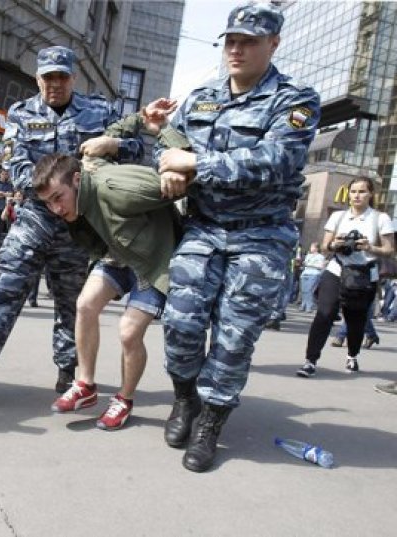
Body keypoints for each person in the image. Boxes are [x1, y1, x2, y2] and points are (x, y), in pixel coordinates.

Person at [0, 45, 143, 404]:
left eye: (61, 76)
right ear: (37, 79)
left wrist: (112, 144)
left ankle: (69, 374)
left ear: (73, 77)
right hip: (35, 218)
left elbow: (135, 151)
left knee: (71, 303)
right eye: (47, 77)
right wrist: (53, 193)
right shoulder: (21, 113)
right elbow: (16, 165)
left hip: (78, 225)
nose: (54, 84)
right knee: (6, 292)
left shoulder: (99, 112)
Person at [154, 3, 321, 472]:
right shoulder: (203, 95)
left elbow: (277, 160)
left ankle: (211, 420)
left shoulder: (296, 99)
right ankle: (185, 398)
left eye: (248, 41)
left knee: (233, 338)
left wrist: (196, 166)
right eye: (230, 40)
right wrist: (169, 171)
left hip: (261, 238)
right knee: (180, 325)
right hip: (204, 230)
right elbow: (169, 144)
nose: (236, 49)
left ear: (273, 44)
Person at [34, 120, 184, 429]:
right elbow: (101, 145)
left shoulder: (118, 190)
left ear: (77, 180)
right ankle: (86, 386)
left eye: (58, 198)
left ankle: (124, 400)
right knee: (85, 305)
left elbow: (186, 173)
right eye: (48, 203)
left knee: (129, 331)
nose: (56, 210)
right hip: (117, 253)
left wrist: (167, 139)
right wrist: (138, 119)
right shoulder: (84, 168)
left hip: (152, 260)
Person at [296, 177, 394, 378]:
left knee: (355, 320)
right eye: (353, 191)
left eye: (362, 191)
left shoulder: (380, 218)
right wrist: (335, 245)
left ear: (371, 194)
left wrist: (369, 247)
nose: (356, 196)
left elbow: (389, 249)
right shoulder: (338, 217)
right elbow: (324, 247)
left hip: (364, 275)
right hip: (336, 270)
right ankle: (310, 361)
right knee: (324, 314)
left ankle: (352, 355)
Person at [299, 242, 326, 312]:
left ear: (316, 248)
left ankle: (309, 306)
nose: (311, 248)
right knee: (304, 290)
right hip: (305, 273)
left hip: (314, 274)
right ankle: (303, 305)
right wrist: (304, 264)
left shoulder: (321, 257)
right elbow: (305, 263)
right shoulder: (308, 255)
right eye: (311, 247)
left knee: (309, 290)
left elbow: (321, 266)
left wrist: (310, 265)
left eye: (312, 247)